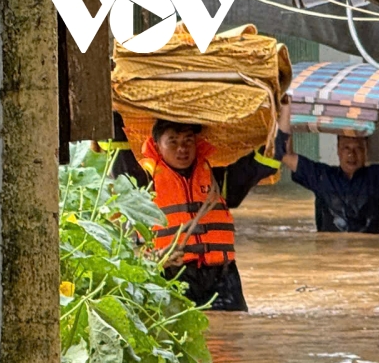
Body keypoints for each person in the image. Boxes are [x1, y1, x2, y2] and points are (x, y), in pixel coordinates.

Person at [120, 118, 284, 311]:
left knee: (232, 334)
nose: (182, 148)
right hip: (170, 277)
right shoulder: (142, 184)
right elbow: (117, 149)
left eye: (188, 140)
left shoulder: (218, 178)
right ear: (156, 145)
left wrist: (282, 115)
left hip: (222, 280)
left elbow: (266, 160)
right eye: (173, 141)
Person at [277, 95, 379, 233]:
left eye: (358, 148)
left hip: (366, 253)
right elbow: (286, 155)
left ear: (366, 151)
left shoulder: (377, 178)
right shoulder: (321, 177)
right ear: (338, 150)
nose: (352, 154)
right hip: (330, 253)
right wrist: (287, 108)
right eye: (346, 148)